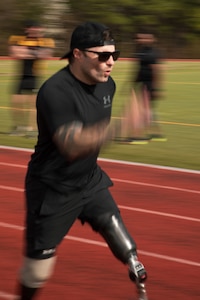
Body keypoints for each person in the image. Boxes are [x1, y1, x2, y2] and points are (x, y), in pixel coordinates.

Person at [16, 21, 148, 300]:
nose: (111, 62)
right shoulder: (55, 91)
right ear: (77, 54)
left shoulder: (107, 85)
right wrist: (122, 129)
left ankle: (138, 278)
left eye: (115, 55)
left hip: (89, 179)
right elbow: (71, 145)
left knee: (120, 235)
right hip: (53, 188)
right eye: (102, 55)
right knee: (36, 273)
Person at [8, 21, 55, 136]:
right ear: (27, 29)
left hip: (35, 76)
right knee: (16, 102)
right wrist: (35, 52)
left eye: (36, 28)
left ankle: (32, 129)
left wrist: (26, 51)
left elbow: (46, 55)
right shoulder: (17, 39)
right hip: (22, 76)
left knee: (33, 104)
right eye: (31, 28)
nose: (34, 30)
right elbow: (16, 53)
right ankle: (19, 127)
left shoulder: (45, 41)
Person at [130, 29, 166, 143]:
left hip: (149, 85)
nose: (141, 40)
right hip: (142, 84)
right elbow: (139, 70)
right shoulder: (141, 52)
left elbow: (157, 71)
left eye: (144, 37)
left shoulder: (152, 53)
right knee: (148, 110)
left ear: (151, 39)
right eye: (140, 38)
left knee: (142, 110)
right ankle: (157, 134)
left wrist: (156, 88)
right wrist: (133, 83)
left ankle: (138, 136)